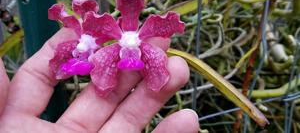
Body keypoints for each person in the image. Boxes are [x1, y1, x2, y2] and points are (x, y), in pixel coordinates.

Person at [0, 28, 199, 133]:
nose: (129, 51)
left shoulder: (143, 52)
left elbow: (157, 75)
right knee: (86, 58)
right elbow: (102, 79)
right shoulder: (106, 53)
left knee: (161, 69)